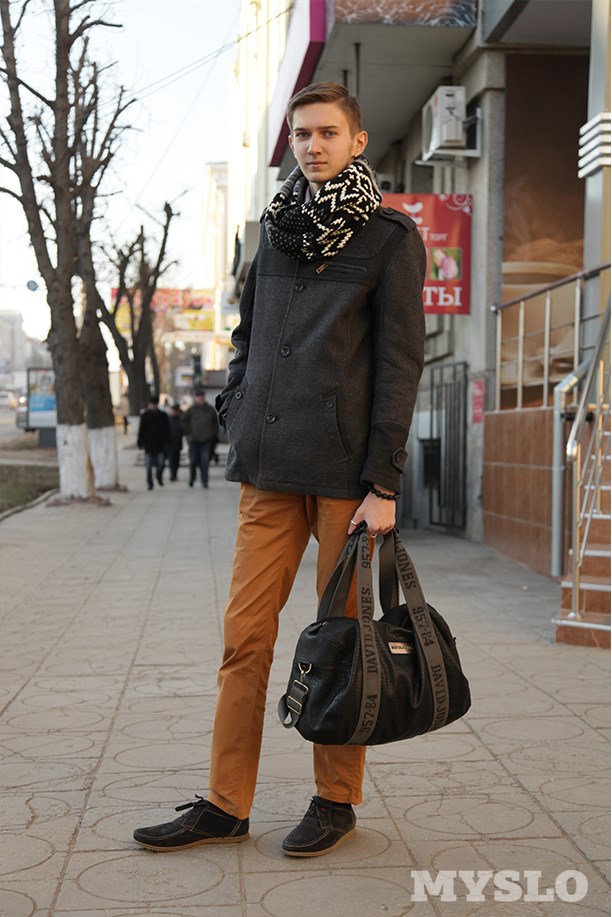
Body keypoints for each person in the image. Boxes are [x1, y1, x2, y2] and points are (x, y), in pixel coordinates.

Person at [133, 82, 425, 856]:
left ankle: (335, 798)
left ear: (357, 141)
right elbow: (248, 334)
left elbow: (400, 367)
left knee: (342, 642)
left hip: (345, 480)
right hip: (266, 469)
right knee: (244, 640)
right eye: (302, 134)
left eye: (327, 132)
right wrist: (236, 404)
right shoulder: (275, 229)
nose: (313, 145)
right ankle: (226, 802)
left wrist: (385, 483)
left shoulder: (390, 237)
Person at [181, 389, 219, 488]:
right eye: (199, 397)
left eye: (202, 397)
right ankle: (192, 478)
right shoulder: (191, 409)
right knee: (193, 460)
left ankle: (204, 481)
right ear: (196, 398)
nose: (201, 399)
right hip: (194, 440)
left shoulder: (210, 409)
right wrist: (189, 432)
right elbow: (183, 421)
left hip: (206, 440)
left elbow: (215, 424)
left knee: (204, 461)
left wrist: (211, 433)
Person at [136, 394, 171, 490]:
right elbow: (141, 430)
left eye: (155, 404)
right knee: (148, 466)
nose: (153, 406)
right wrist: (140, 442)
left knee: (161, 464)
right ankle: (150, 483)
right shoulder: (145, 416)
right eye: (152, 404)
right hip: (149, 445)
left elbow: (167, 430)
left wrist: (168, 442)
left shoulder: (163, 416)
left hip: (160, 445)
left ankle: (159, 476)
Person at [167, 403, 184, 482]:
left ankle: (175, 473)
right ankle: (172, 474)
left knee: (176, 460)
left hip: (177, 442)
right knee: (171, 459)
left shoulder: (180, 419)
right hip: (170, 443)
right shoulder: (168, 419)